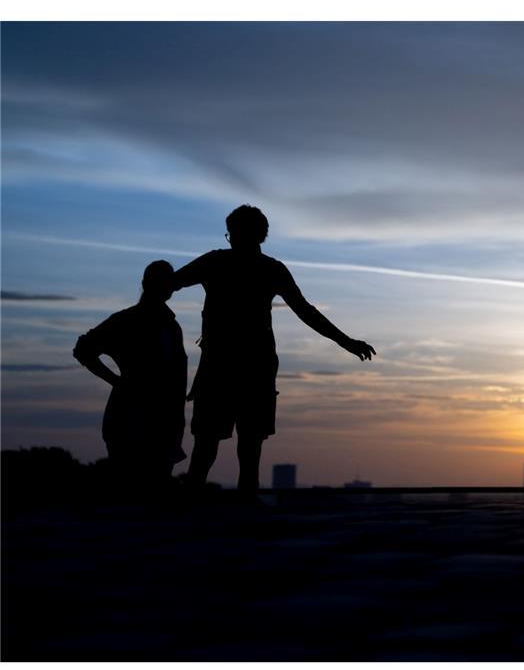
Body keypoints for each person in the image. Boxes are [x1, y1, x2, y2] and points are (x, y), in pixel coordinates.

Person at [172, 205, 375, 492]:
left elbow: (169, 283)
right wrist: (347, 342)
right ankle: (234, 508)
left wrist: (347, 342)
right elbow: (306, 311)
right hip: (244, 365)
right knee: (235, 449)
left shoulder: (223, 263)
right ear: (262, 235)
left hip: (233, 366)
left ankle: (206, 510)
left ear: (233, 234)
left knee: (219, 448)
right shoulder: (260, 268)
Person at [74, 260, 188, 490]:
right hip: (130, 419)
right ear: (147, 283)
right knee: (129, 488)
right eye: (164, 281)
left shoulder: (171, 326)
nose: (169, 287)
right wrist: (116, 381)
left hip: (164, 421)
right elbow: (84, 349)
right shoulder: (126, 321)